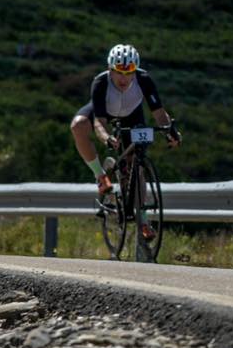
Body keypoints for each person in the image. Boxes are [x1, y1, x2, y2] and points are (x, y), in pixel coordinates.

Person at [70, 44, 180, 218]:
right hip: (104, 111)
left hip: (132, 114)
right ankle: (100, 175)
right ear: (110, 69)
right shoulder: (100, 82)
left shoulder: (143, 79)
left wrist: (170, 132)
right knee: (78, 125)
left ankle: (143, 219)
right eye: (119, 72)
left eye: (129, 72)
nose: (124, 77)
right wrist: (106, 137)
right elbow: (99, 121)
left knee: (136, 163)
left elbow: (159, 112)